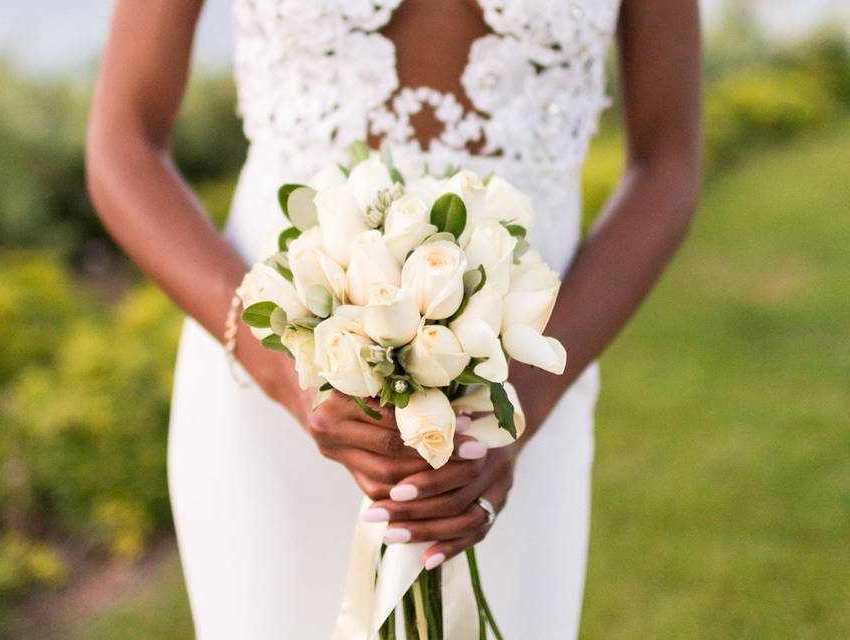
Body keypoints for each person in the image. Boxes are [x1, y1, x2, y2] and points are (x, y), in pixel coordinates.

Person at [86, 0, 702, 637]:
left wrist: (520, 406)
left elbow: (668, 162)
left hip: (519, 396)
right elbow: (123, 141)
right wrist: (285, 376)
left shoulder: (522, 406)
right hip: (268, 387)